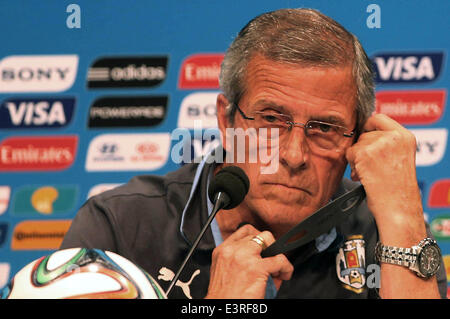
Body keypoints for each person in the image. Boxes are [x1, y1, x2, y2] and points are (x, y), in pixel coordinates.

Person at [60, 8, 447, 299]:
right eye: (271, 120)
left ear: (357, 137)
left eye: (324, 129)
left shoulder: (386, 228)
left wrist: (402, 211)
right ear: (226, 121)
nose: (294, 155)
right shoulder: (121, 227)